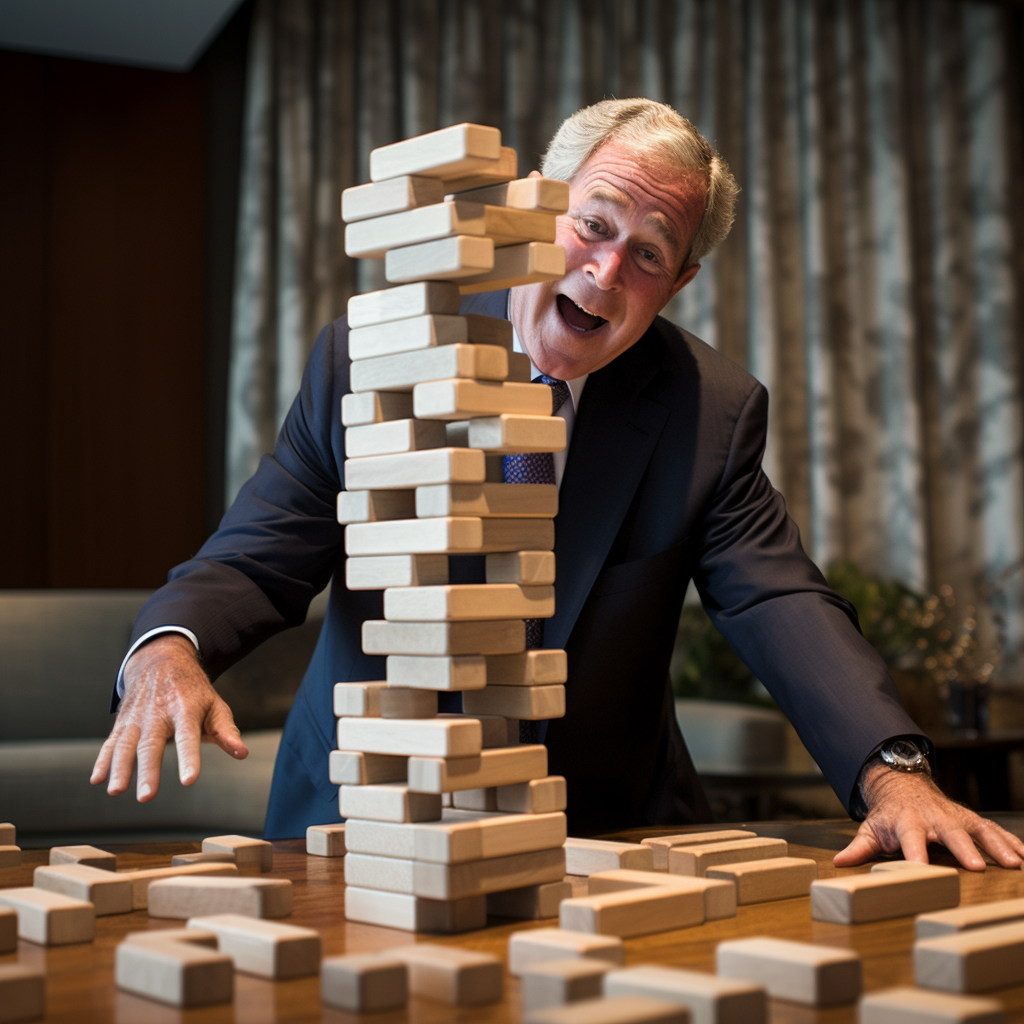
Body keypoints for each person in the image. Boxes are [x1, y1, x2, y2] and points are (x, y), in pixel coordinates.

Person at [92, 98, 1024, 871]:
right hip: (357, 825)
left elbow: (779, 597)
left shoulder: (711, 411)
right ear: (537, 208)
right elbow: (266, 548)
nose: (606, 270)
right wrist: (168, 649)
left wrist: (893, 771)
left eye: (649, 254)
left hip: (600, 833)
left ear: (680, 280)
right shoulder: (369, 357)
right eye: (594, 222)